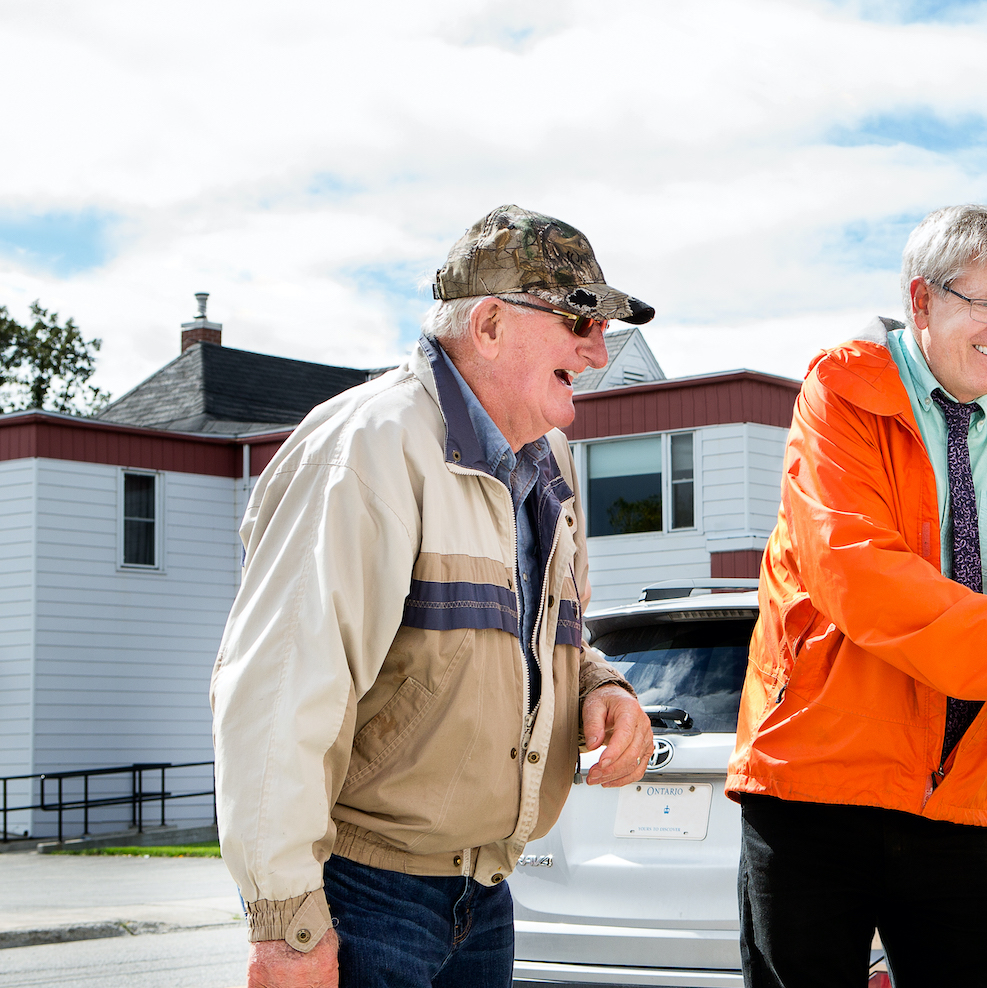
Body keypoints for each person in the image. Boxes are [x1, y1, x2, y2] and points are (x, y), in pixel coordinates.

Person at [211, 205, 657, 988]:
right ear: (489, 324)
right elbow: (280, 693)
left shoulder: (546, 455)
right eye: (578, 322)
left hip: (483, 895)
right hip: (366, 898)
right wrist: (288, 928)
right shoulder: (364, 449)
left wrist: (598, 683)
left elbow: (541, 626)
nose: (596, 351)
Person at [727, 204, 987, 987]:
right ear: (921, 301)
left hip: (958, 793)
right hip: (815, 783)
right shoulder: (841, 392)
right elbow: (861, 576)